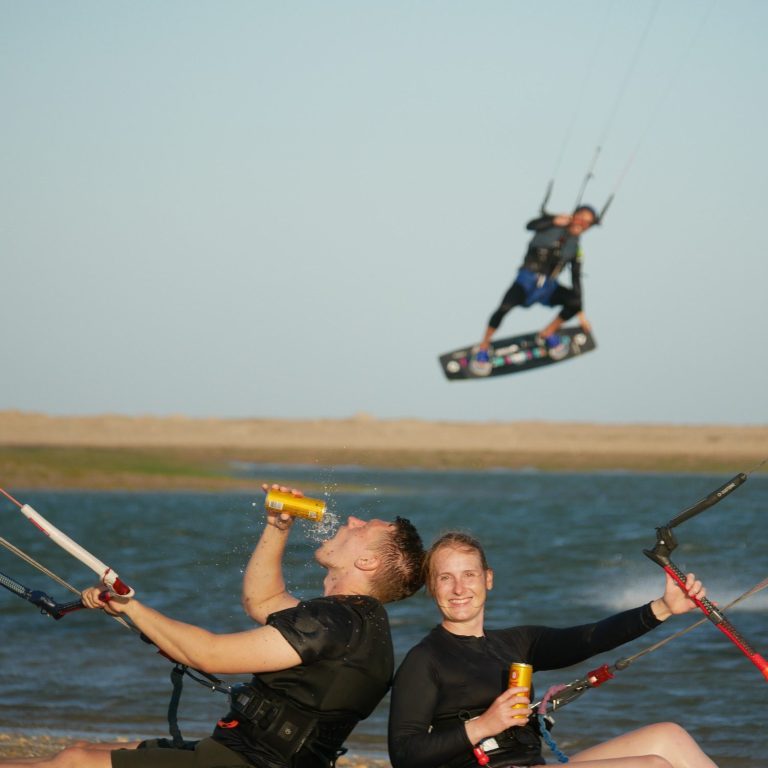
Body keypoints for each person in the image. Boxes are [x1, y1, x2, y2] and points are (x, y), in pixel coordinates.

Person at [0, 485, 425, 768]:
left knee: (74, 761)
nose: (350, 519)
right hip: (240, 756)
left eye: (364, 527)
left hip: (243, 763)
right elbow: (262, 602)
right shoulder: (359, 623)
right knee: (84, 752)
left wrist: (130, 607)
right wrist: (278, 527)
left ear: (367, 562)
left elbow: (209, 654)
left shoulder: (332, 621)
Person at [388, 531, 719, 768]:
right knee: (652, 766)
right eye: (445, 578)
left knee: (668, 737)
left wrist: (662, 607)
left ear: (488, 579)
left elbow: (590, 638)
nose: (459, 588)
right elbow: (404, 754)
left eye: (469, 575)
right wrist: (485, 725)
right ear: (432, 588)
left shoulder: (516, 643)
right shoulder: (425, 658)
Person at [472, 206, 597, 375]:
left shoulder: (575, 248)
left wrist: (581, 315)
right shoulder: (552, 225)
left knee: (574, 301)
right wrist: (553, 220)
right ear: (574, 216)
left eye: (587, 223)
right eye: (581, 218)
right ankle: (483, 347)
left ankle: (547, 333)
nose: (582, 224)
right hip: (525, 282)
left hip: (547, 288)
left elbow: (576, 281)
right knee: (504, 308)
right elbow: (530, 225)